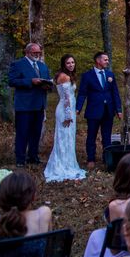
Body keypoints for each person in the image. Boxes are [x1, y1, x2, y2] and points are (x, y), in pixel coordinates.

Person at [8, 42, 52, 167]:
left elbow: (48, 80)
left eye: (39, 52)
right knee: (23, 132)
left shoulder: (42, 66)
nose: (37, 55)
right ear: (27, 52)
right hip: (24, 105)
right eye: (35, 53)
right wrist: (30, 81)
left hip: (39, 104)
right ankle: (20, 159)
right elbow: (12, 81)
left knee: (36, 132)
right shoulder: (18, 64)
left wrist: (47, 86)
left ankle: (33, 156)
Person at [43, 54, 86, 182]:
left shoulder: (65, 75)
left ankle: (68, 162)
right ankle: (62, 165)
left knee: (68, 137)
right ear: (63, 64)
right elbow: (67, 99)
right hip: (65, 110)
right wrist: (68, 116)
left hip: (68, 109)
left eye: (73, 62)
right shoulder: (64, 76)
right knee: (64, 137)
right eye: (68, 63)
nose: (71, 65)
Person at [77, 51, 122, 169]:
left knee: (107, 136)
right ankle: (91, 158)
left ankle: (107, 158)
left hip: (108, 110)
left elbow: (115, 93)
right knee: (91, 135)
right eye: (105, 60)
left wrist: (118, 109)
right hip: (93, 111)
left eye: (107, 60)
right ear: (98, 61)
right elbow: (82, 93)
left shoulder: (110, 74)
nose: (107, 62)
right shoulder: (87, 76)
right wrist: (78, 108)